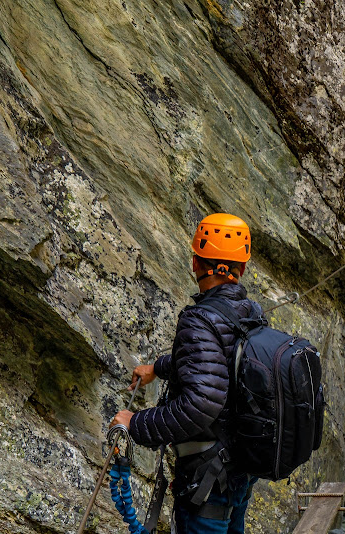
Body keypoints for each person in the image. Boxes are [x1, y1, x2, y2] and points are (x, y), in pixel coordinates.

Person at [109, 213, 263, 534]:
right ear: (243, 269)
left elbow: (200, 404)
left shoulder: (200, 319)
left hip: (209, 480)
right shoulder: (250, 313)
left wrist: (134, 424)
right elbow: (217, 364)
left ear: (195, 263)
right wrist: (157, 368)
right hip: (239, 469)